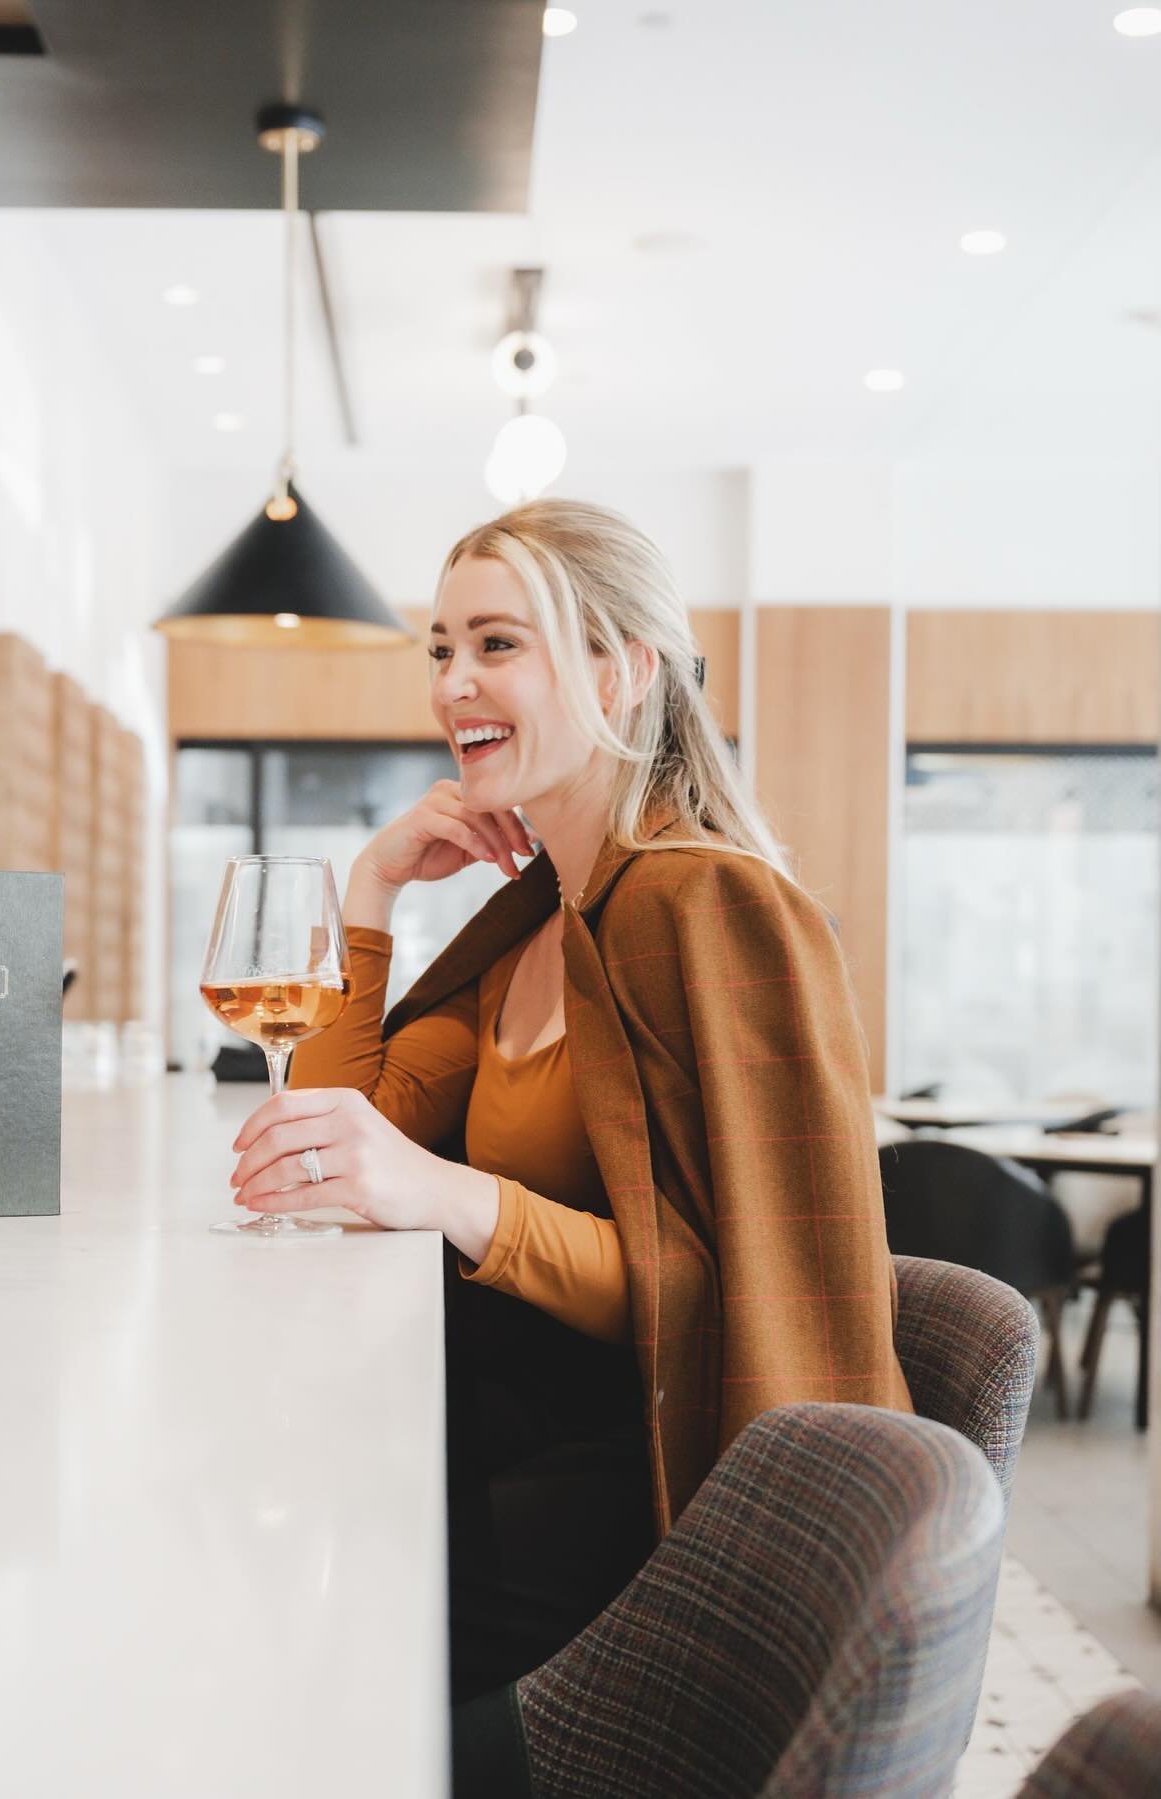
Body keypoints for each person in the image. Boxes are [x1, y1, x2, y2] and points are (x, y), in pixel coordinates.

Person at [227, 499, 913, 1704]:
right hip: (500, 1444)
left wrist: (452, 1193)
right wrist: (378, 884)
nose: (452, 685)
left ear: (626, 669)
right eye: (441, 647)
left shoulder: (705, 905)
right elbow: (333, 1141)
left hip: (638, 1504)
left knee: (286, 1653)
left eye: (499, 643)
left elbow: (741, 1305)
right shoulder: (539, 912)